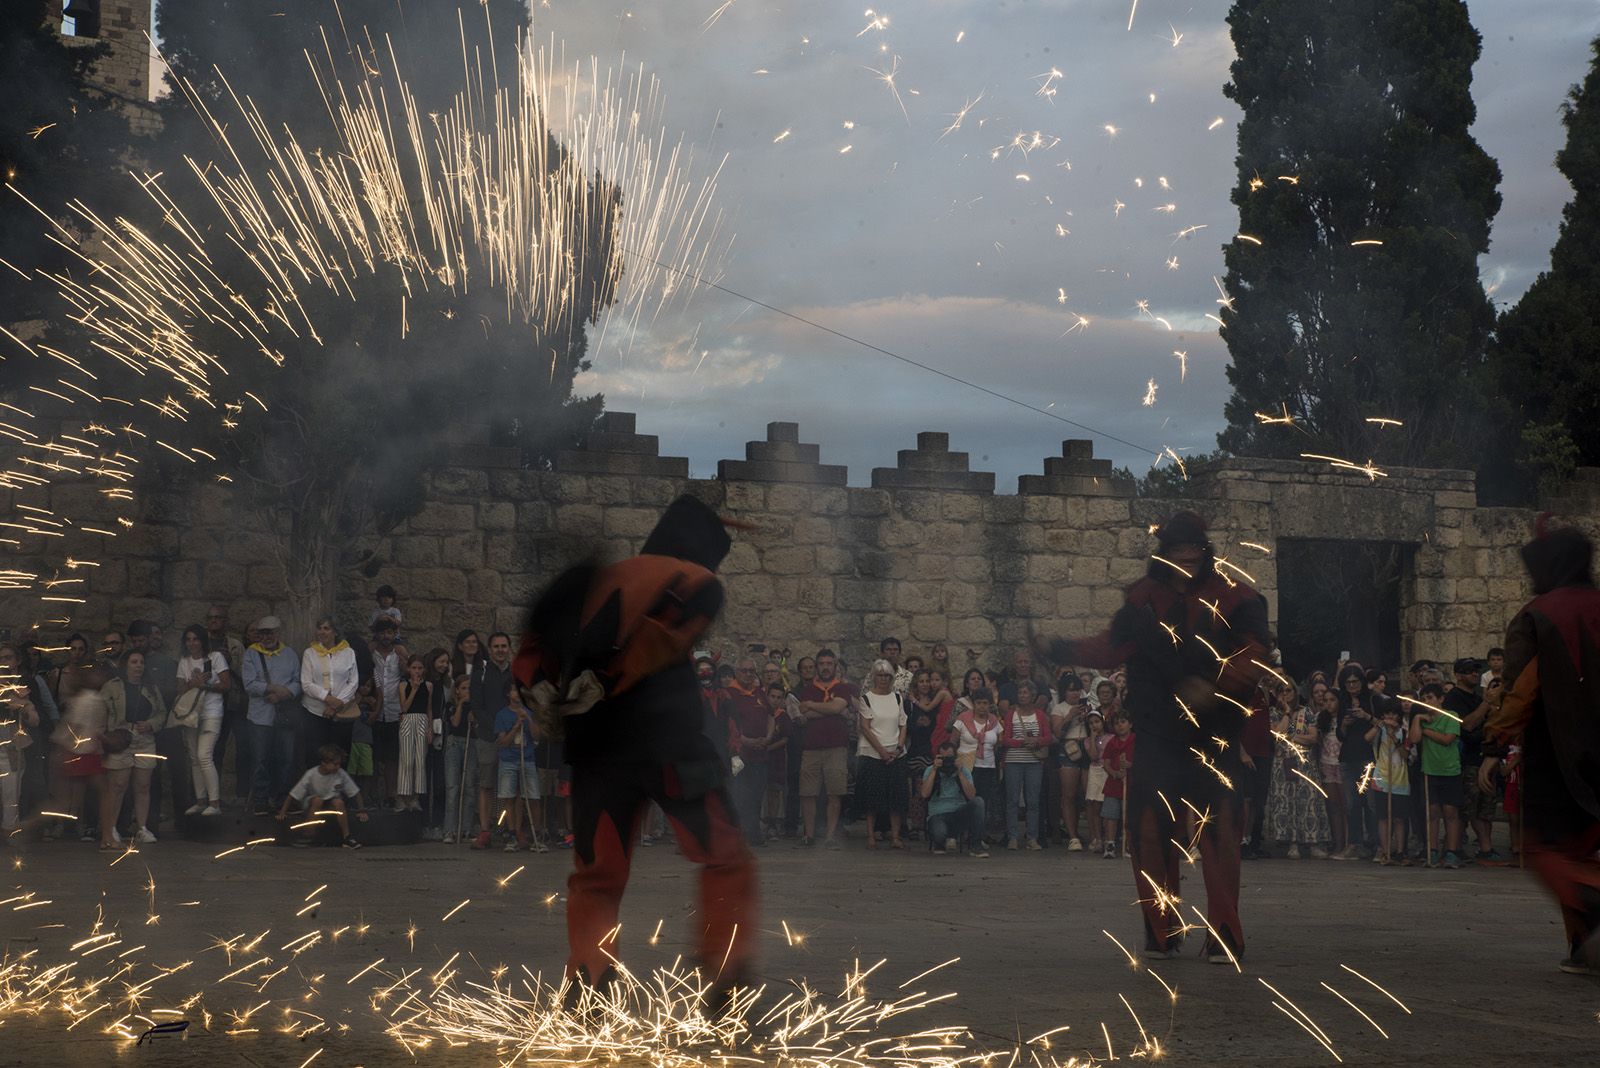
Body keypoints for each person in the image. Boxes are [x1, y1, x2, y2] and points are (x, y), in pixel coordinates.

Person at [511, 494, 757, 1005]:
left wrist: (542, 695)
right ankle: (727, 977)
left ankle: (589, 984)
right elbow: (671, 625)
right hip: (671, 746)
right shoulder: (688, 575)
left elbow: (533, 651)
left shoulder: (595, 582)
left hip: (595, 753)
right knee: (725, 855)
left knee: (596, 877)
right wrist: (608, 679)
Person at [1035, 511, 1270, 963]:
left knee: (1220, 833)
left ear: (1204, 551)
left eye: (1193, 550)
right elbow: (1111, 648)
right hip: (1159, 731)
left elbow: (1256, 653)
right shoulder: (1142, 600)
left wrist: (1215, 686)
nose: (1186, 559)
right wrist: (1059, 647)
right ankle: (1162, 933)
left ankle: (1225, 934)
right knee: (1148, 830)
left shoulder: (1237, 597)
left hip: (1214, 734)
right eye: (1177, 551)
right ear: (1164, 555)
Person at [1480, 518, 1600, 974]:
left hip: (1562, 754)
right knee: (1578, 849)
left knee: (1548, 849)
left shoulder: (1539, 615)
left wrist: (1494, 746)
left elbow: (1521, 692)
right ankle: (1586, 948)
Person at [101, 654, 167, 845]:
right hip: (121, 737)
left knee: (143, 785)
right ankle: (110, 828)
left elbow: (161, 712)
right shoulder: (112, 686)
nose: (139, 666)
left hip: (144, 739)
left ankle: (142, 827)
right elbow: (101, 709)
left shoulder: (151, 688)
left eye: (142, 662)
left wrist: (151, 724)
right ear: (126, 665)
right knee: (117, 785)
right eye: (134, 662)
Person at [1444, 658, 1502, 862]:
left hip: (1483, 756)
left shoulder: (1477, 698)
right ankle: (1473, 848)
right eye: (1469, 671)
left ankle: (1481, 848)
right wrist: (1487, 703)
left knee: (1486, 807)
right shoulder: (1453, 698)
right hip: (1467, 759)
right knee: (1470, 807)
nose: (1475, 674)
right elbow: (1466, 725)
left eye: (1477, 671)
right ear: (1458, 675)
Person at [242, 616, 301, 816]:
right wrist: (272, 688)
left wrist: (285, 693)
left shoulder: (290, 654)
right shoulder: (251, 654)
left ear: (278, 633)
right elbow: (249, 684)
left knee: (286, 758)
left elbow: (298, 681)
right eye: (263, 633)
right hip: (260, 716)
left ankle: (282, 799)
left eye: (270, 632)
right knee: (260, 759)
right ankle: (260, 800)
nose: (267, 637)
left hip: (284, 715)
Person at [797, 648, 855, 849]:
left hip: (836, 747)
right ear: (817, 666)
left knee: (834, 792)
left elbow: (835, 707)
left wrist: (813, 705)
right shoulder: (807, 689)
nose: (825, 667)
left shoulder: (843, 688)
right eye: (822, 664)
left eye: (829, 663)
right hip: (811, 747)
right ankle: (809, 835)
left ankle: (830, 836)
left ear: (835, 666)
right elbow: (804, 714)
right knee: (807, 792)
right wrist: (834, 710)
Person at [1266, 683, 1330, 859]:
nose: (1285, 694)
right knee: (1287, 802)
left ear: (1295, 692)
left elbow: (1313, 737)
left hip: (1305, 764)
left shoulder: (1305, 712)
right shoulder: (1274, 713)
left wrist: (1292, 736)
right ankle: (1292, 843)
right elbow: (1277, 734)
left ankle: (1313, 843)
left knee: (1309, 802)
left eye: (1288, 690)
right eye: (1281, 691)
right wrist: (1287, 713)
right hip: (1283, 763)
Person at [174, 624, 231, 817]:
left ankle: (214, 803)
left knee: (204, 755)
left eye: (196, 639)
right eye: (188, 639)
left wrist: (205, 685)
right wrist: (194, 683)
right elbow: (180, 689)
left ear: (203, 641)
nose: (192, 643)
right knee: (194, 758)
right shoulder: (184, 661)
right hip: (191, 713)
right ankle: (200, 801)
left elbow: (226, 685)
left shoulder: (215, 657)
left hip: (212, 712)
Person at [854, 659, 908, 850]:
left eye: (887, 675)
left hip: (895, 752)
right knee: (872, 798)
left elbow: (903, 724)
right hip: (872, 754)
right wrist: (882, 751)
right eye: (880, 675)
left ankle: (895, 836)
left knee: (896, 797)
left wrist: (898, 748)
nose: (884, 679)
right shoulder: (867, 698)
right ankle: (871, 836)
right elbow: (865, 727)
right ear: (874, 677)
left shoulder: (897, 698)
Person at [470, 633, 517, 849]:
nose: (500, 650)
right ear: (489, 649)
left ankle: (510, 829)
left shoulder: (516, 673)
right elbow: (477, 706)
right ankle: (485, 830)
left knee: (510, 788)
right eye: (496, 646)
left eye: (503, 646)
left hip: (511, 737)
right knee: (486, 785)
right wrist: (496, 728)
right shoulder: (480, 673)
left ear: (509, 648)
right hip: (488, 736)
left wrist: (508, 729)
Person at [1409, 682, 1463, 868]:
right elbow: (1414, 739)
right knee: (1432, 812)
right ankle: (1432, 850)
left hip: (1450, 770)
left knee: (1450, 811)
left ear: (1441, 699)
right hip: (1429, 770)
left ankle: (1451, 851)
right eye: (1423, 699)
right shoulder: (1422, 719)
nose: (1427, 702)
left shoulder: (1452, 716)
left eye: (1430, 698)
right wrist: (1417, 719)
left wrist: (1427, 731)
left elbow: (1447, 739)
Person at [722, 657, 773, 846]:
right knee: (739, 795)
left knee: (757, 796)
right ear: (737, 672)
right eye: (744, 670)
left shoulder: (759, 692)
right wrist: (745, 741)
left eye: (752, 671)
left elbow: (770, 716)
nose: (748, 674)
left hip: (760, 754)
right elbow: (726, 723)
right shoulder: (728, 694)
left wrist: (768, 737)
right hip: (739, 755)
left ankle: (753, 834)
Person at [276, 744, 368, 848]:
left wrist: (362, 810)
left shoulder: (340, 773)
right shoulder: (311, 774)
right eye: (335, 764)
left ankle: (346, 837)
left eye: (339, 764)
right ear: (324, 763)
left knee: (339, 802)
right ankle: (308, 835)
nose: (338, 767)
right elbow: (293, 794)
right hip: (313, 802)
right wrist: (282, 812)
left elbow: (355, 792)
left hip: (331, 803)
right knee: (317, 800)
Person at [205, 606, 249, 809]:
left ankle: (241, 796)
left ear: (226, 621)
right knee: (213, 751)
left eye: (218, 617)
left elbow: (246, 675)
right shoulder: (201, 643)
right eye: (211, 618)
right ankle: (211, 796)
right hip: (210, 704)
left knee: (243, 749)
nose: (214, 621)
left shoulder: (235, 645)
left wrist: (229, 663)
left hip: (234, 703)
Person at [300, 618, 359, 770]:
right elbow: (306, 683)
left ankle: (338, 785)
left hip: (341, 712)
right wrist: (327, 698)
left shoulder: (348, 652)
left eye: (326, 628)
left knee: (340, 754)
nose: (322, 632)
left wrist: (337, 704)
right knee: (315, 756)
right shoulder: (310, 653)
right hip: (315, 713)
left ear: (335, 632)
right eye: (319, 628)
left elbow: (353, 682)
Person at [1002, 679, 1051, 850]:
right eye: (1020, 693)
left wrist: (1037, 741)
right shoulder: (1011, 715)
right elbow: (1005, 739)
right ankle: (1012, 837)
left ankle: (1032, 837)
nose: (1022, 696)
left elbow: (1048, 737)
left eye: (1025, 693)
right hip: (1013, 761)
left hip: (1034, 762)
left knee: (1033, 800)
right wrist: (1021, 743)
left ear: (1032, 695)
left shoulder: (1040, 715)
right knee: (1012, 800)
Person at [494, 679, 541, 852]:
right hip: (508, 761)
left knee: (533, 797)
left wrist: (528, 718)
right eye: (515, 690)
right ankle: (512, 834)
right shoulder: (502, 715)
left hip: (527, 760)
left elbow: (537, 736)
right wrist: (516, 725)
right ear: (508, 694)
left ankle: (537, 836)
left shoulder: (530, 712)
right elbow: (503, 742)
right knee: (509, 798)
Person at [950, 687, 1003, 841]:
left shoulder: (994, 721)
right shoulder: (962, 719)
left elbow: (999, 743)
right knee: (965, 800)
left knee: (984, 801)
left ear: (990, 704)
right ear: (974, 704)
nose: (982, 706)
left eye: (985, 703)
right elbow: (953, 742)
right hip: (967, 767)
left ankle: (978, 835)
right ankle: (961, 833)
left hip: (987, 767)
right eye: (978, 703)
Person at [921, 740, 986, 857]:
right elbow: (924, 794)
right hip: (938, 814)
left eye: (949, 758)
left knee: (978, 802)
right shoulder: (930, 770)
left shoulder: (963, 770)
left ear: (956, 757)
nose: (947, 762)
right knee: (939, 833)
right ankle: (940, 842)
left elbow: (971, 795)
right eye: (943, 758)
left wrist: (960, 773)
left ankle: (976, 845)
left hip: (958, 813)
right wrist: (934, 770)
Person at [1366, 703, 1411, 864]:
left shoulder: (1404, 732)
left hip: (1400, 780)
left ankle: (1400, 851)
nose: (1390, 717)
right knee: (1383, 817)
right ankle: (1385, 851)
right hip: (1381, 779)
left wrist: (1394, 737)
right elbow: (1367, 738)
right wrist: (1379, 726)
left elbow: (1406, 755)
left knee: (1399, 818)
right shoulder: (1380, 731)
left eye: (1393, 714)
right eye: (1387, 714)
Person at [1051, 673, 1091, 851]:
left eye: (1077, 690)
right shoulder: (1059, 708)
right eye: (1071, 690)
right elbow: (1058, 733)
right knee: (1069, 795)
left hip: (1087, 746)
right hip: (1069, 748)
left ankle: (1093, 834)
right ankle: (1072, 836)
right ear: (1064, 692)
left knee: (1089, 794)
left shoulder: (1088, 707)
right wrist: (1070, 716)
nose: (1075, 694)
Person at [395, 655, 432, 814]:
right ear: (409, 669)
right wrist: (414, 689)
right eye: (414, 668)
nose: (417, 671)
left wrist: (430, 728)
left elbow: (429, 708)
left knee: (420, 759)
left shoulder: (429, 686)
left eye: (420, 668)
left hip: (422, 720)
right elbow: (404, 707)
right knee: (406, 759)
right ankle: (403, 796)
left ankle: (415, 797)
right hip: (408, 720)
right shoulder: (403, 685)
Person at [1100, 713, 1135, 859]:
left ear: (1130, 724)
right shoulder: (1112, 742)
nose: (1120, 725)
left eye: (1123, 721)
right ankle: (1110, 844)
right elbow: (1106, 762)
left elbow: (1144, 761)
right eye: (1116, 723)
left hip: (1132, 784)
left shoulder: (1136, 741)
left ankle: (1129, 844)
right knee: (1111, 815)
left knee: (1130, 815)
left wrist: (1130, 766)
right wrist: (1114, 773)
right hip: (1113, 784)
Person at [1083, 710, 1108, 852]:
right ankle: (1097, 838)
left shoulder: (1110, 738)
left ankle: (1108, 837)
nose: (1094, 725)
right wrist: (1093, 739)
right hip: (1095, 771)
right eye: (1091, 723)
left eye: (1097, 722)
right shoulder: (1087, 741)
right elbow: (1093, 756)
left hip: (1107, 771)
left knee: (1106, 805)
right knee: (1095, 804)